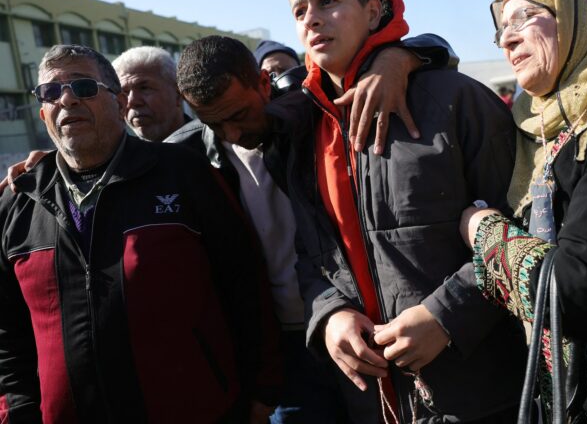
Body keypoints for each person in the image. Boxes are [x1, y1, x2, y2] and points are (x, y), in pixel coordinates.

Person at [285, 0, 527, 423]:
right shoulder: (304, 126)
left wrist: (447, 315)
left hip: (478, 390)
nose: (312, 19)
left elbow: (521, 223)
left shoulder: (456, 98)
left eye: (327, 1)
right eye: (299, 11)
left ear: (373, 11)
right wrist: (330, 315)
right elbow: (310, 252)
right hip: (372, 400)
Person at [173, 33, 457, 423]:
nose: (232, 134)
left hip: (360, 328)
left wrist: (394, 59)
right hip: (277, 352)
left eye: (239, 115)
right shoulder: (184, 159)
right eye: (213, 123)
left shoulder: (309, 114)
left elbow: (436, 47)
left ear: (262, 82)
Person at [0, 44, 281, 424]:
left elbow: (245, 282)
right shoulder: (19, 200)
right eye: (51, 92)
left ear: (118, 103)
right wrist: (16, 410)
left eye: (83, 87)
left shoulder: (185, 173)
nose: (66, 99)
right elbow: (7, 330)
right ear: (43, 113)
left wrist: (262, 391)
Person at [460, 0, 587, 422]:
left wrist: (485, 233)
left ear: (580, 15)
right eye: (501, 28)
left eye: (523, 18)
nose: (507, 39)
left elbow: (583, 293)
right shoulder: (533, 125)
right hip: (571, 396)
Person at [112, 46, 190, 142]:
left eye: (144, 88)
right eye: (125, 93)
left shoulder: (211, 145)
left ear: (178, 94)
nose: (132, 102)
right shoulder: (121, 155)